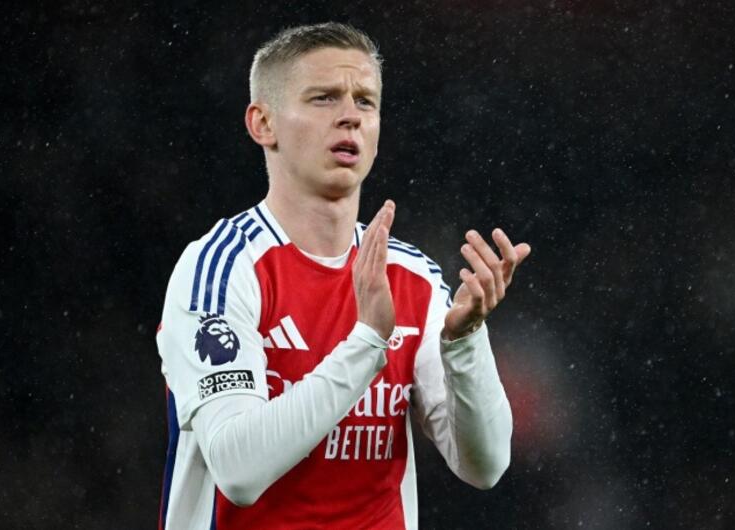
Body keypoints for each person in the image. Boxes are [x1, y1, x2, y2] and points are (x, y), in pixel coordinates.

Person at [155, 22, 531, 530]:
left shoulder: (414, 278)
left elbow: (485, 466)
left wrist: (465, 342)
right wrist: (367, 342)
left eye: (365, 102)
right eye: (324, 98)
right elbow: (238, 471)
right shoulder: (222, 268)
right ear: (263, 123)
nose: (351, 115)